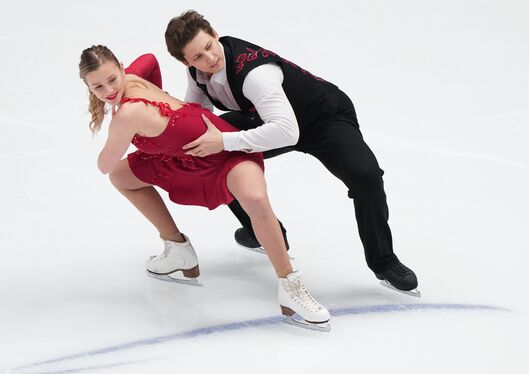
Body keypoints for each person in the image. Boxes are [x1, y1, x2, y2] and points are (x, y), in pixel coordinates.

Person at [164, 10, 420, 296]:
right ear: (186, 61)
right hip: (265, 119)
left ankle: (384, 261)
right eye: (198, 57)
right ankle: (263, 230)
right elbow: (197, 116)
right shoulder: (196, 73)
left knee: (367, 177)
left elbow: (287, 132)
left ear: (214, 34)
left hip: (323, 119)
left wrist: (224, 141)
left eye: (209, 47)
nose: (209, 59)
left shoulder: (255, 75)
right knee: (209, 155)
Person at [78, 45, 331, 330]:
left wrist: (122, 121)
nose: (109, 90)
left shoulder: (127, 114)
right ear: (87, 86)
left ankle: (290, 286)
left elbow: (104, 163)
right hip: (185, 158)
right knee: (123, 177)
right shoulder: (133, 79)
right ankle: (177, 248)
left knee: (256, 200)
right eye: (97, 86)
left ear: (122, 68)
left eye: (112, 79)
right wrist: (158, 129)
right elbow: (149, 60)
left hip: (223, 148)